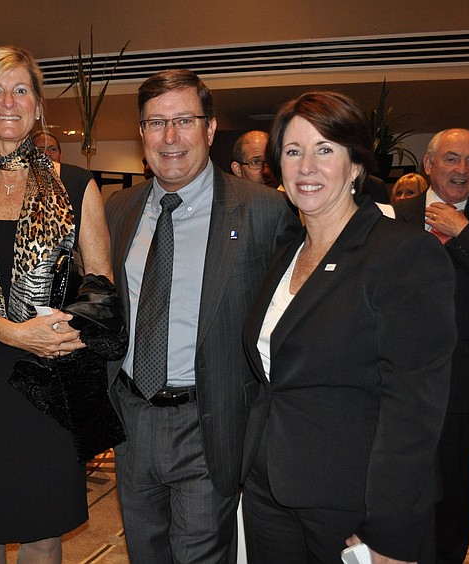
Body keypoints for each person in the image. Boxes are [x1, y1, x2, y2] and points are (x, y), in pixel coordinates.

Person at [241, 91, 456, 563]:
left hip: (350, 504)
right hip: (268, 490)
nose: (306, 167)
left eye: (325, 150)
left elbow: (414, 412)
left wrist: (391, 531)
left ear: (356, 165)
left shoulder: (403, 254)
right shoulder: (286, 253)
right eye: (293, 152)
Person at [104, 69, 300, 563]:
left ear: (210, 130)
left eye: (184, 120)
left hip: (209, 422)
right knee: (145, 552)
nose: (169, 137)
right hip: (131, 419)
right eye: (155, 123)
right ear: (141, 133)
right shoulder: (119, 208)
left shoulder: (262, 212)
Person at [0, 45, 114, 563]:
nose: (7, 101)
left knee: (42, 529)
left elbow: (100, 287)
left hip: (49, 377)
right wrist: (10, 333)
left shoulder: (76, 186)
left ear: (37, 106)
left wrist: (64, 332)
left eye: (20, 89)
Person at [393, 128, 469, 563]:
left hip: (458, 385)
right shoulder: (389, 215)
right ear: (428, 165)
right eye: (451, 159)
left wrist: (462, 232)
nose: (461, 170)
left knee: (453, 492)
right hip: (392, 378)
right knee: (394, 483)